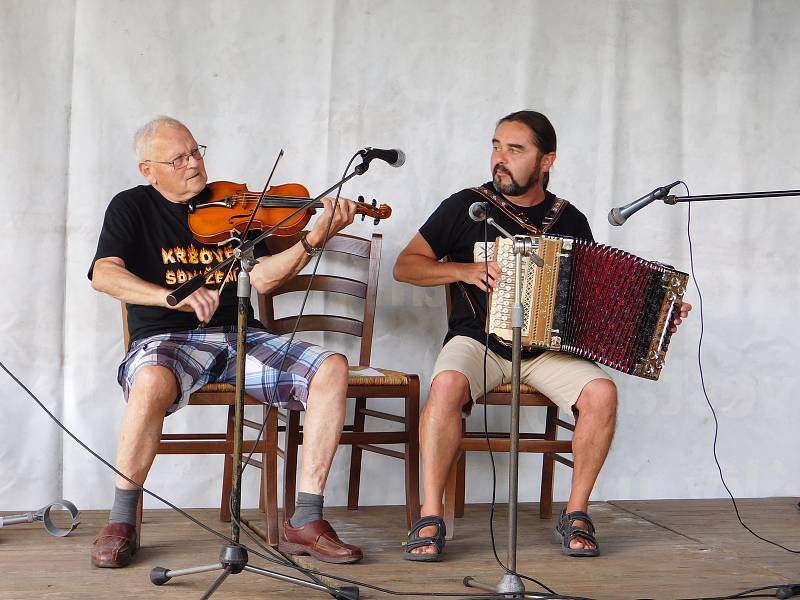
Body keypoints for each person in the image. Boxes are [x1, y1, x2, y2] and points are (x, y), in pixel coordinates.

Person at [393, 110, 691, 560]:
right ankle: (430, 516)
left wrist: (657, 314)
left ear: (546, 160)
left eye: (515, 149)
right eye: (496, 146)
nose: (500, 158)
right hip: (480, 342)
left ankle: (575, 513)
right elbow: (405, 265)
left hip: (548, 349)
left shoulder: (569, 219)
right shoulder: (466, 206)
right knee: (446, 386)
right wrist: (464, 269)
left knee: (602, 393)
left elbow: (595, 295)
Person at [88, 116, 362, 568]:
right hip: (168, 338)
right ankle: (122, 521)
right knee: (152, 380)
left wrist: (314, 238)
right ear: (148, 169)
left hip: (238, 335)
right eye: (178, 158)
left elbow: (267, 280)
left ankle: (307, 518)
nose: (194, 164)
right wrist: (170, 296)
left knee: (331, 367)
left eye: (196, 151)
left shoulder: (237, 207)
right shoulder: (131, 207)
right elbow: (104, 274)